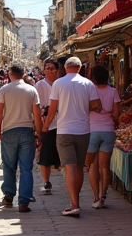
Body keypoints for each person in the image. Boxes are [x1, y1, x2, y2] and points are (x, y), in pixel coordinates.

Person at [43, 56, 100, 217]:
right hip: (83, 130)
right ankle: (77, 201)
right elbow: (97, 106)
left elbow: (52, 109)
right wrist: (83, 106)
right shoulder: (88, 84)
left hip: (64, 130)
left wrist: (46, 126)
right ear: (80, 67)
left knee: (69, 167)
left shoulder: (58, 84)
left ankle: (74, 204)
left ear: (65, 68)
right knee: (80, 167)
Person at [0, 65, 43, 212]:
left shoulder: (4, 89)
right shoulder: (31, 90)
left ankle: (8, 195)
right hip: (27, 131)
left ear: (10, 74)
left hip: (9, 131)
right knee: (26, 167)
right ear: (24, 74)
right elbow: (37, 114)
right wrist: (39, 133)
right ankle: (24, 201)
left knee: (9, 165)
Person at [87, 65, 121, 209]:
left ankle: (95, 197)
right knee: (104, 166)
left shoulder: (89, 91)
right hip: (108, 131)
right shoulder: (113, 91)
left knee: (92, 165)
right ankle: (103, 196)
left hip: (91, 131)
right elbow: (116, 114)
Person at [34, 59, 61, 195]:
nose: (49, 71)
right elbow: (36, 106)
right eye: (47, 68)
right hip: (46, 125)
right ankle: (46, 181)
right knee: (45, 156)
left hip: (61, 124)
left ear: (57, 70)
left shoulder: (61, 84)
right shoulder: (39, 85)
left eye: (51, 68)